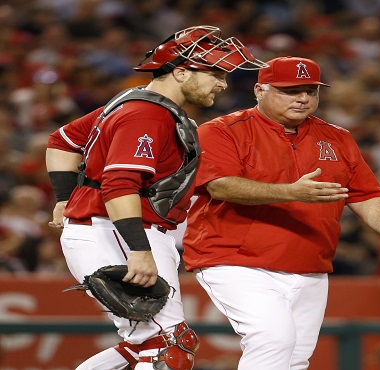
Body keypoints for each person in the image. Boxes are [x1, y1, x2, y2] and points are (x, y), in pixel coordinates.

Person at [45, 25, 265, 370]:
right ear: (180, 71)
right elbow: (119, 185)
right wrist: (138, 250)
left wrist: (63, 198)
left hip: (117, 229)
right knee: (168, 344)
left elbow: (63, 142)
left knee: (143, 344)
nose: (223, 83)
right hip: (117, 232)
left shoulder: (137, 104)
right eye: (215, 73)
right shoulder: (146, 114)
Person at [182, 56, 380, 370]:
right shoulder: (222, 131)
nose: (303, 98)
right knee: (272, 339)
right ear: (259, 90)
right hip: (236, 260)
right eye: (290, 90)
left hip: (309, 265)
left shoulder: (338, 137)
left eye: (311, 90)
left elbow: (367, 195)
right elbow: (221, 187)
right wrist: (291, 192)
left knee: (295, 360)